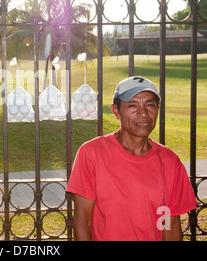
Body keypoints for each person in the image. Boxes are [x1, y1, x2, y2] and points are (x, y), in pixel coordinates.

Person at [66, 76, 197, 241]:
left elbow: (169, 225)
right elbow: (83, 222)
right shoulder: (92, 153)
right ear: (116, 111)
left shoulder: (170, 162)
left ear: (158, 108)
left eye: (149, 105)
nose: (143, 113)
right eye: (132, 105)